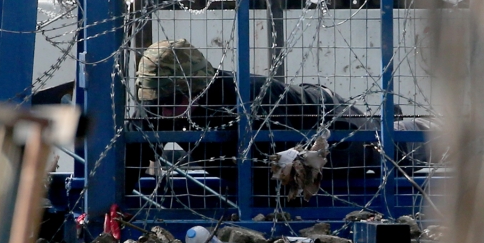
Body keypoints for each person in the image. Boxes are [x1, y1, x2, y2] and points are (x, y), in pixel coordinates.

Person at [126, 39, 426, 207]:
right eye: (157, 105)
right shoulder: (160, 104)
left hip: (333, 126)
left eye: (173, 103)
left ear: (199, 89)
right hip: (289, 151)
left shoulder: (250, 98)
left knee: (393, 149)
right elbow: (132, 157)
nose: (165, 113)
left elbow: (281, 176)